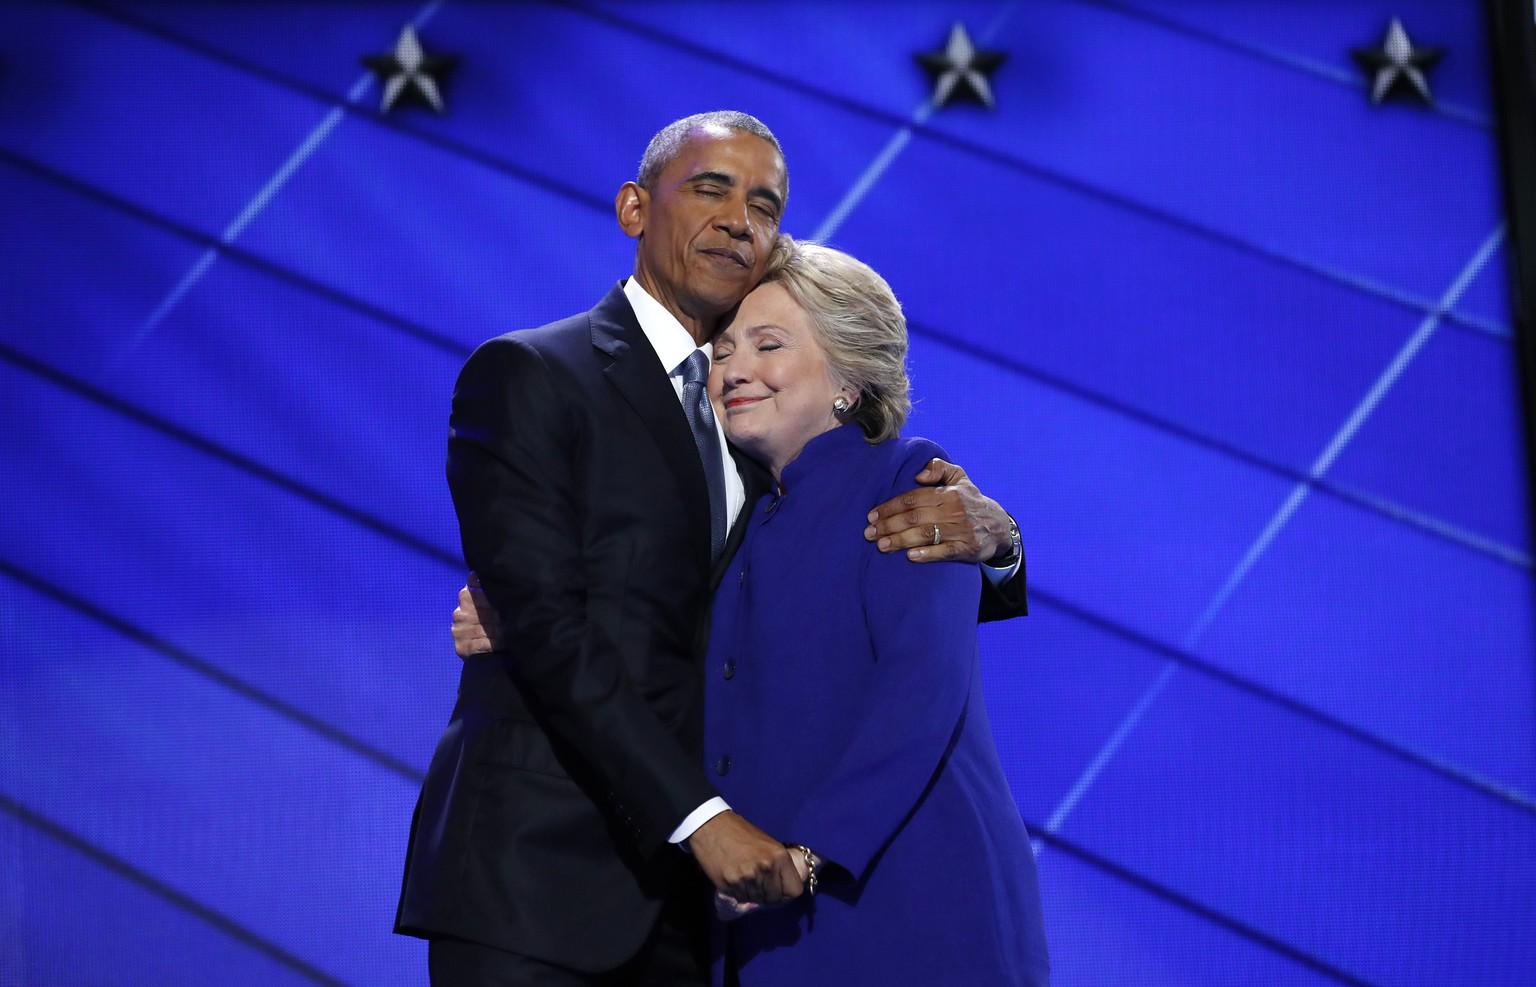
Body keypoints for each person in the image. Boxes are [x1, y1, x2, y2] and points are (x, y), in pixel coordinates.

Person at [397, 111, 1027, 986]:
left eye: (765, 204)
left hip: (718, 914)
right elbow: (547, 617)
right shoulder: (532, 375)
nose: (740, 217)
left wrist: (999, 540)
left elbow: (859, 580)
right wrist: (701, 818)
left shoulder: (765, 433)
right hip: (542, 881)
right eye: (710, 188)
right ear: (632, 208)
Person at [702, 240, 1048, 984]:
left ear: (849, 381)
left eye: (768, 344)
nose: (733, 368)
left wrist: (809, 851)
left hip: (909, 909)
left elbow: (919, 690)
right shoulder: (738, 513)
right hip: (771, 927)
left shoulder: (909, 480)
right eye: (722, 348)